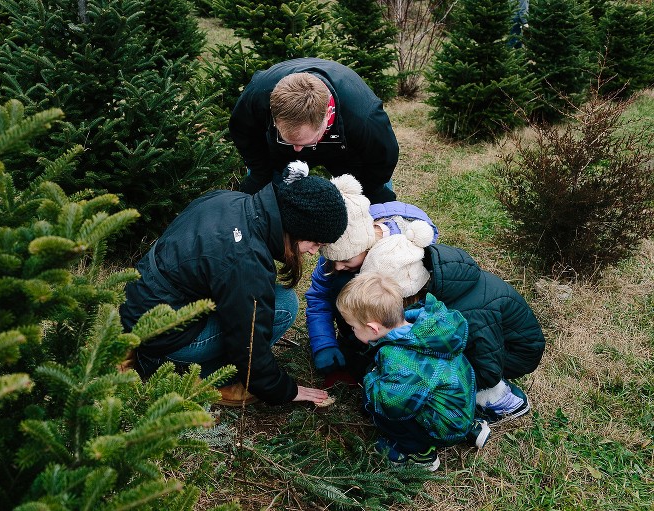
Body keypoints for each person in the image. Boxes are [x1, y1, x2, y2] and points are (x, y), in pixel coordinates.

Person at [119, 161, 350, 407]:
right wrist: (283, 389)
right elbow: (250, 345)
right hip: (165, 336)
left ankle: (137, 350)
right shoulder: (246, 259)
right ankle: (207, 378)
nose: (313, 253)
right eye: (314, 243)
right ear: (294, 228)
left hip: (138, 307)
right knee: (284, 304)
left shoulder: (231, 200)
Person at [360, 234, 546, 424]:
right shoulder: (441, 284)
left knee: (436, 362)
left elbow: (489, 369)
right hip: (496, 346)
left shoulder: (470, 313)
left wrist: (441, 387)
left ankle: (498, 399)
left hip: (516, 353)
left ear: (407, 293)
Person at [336, 272, 490, 471]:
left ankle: (419, 453)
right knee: (436, 392)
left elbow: (392, 405)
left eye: (353, 327)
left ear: (373, 328)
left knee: (385, 414)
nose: (352, 331)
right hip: (460, 406)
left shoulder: (401, 359)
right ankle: (469, 429)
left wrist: (371, 378)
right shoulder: (427, 330)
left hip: (445, 426)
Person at [304, 183, 438, 380]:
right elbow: (319, 299)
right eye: (333, 260)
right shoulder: (336, 256)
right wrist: (324, 343)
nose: (338, 266)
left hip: (397, 322)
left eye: (345, 260)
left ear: (368, 247)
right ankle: (356, 338)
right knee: (341, 282)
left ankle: (391, 350)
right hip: (363, 327)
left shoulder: (402, 259)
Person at [229, 57, 400, 204]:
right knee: (258, 194)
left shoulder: (364, 117)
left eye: (306, 141)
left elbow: (383, 161)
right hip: (278, 153)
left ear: (327, 115)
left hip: (346, 152)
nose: (298, 149)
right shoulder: (258, 95)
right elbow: (243, 132)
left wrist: (362, 193)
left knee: (375, 199)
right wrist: (260, 172)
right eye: (289, 140)